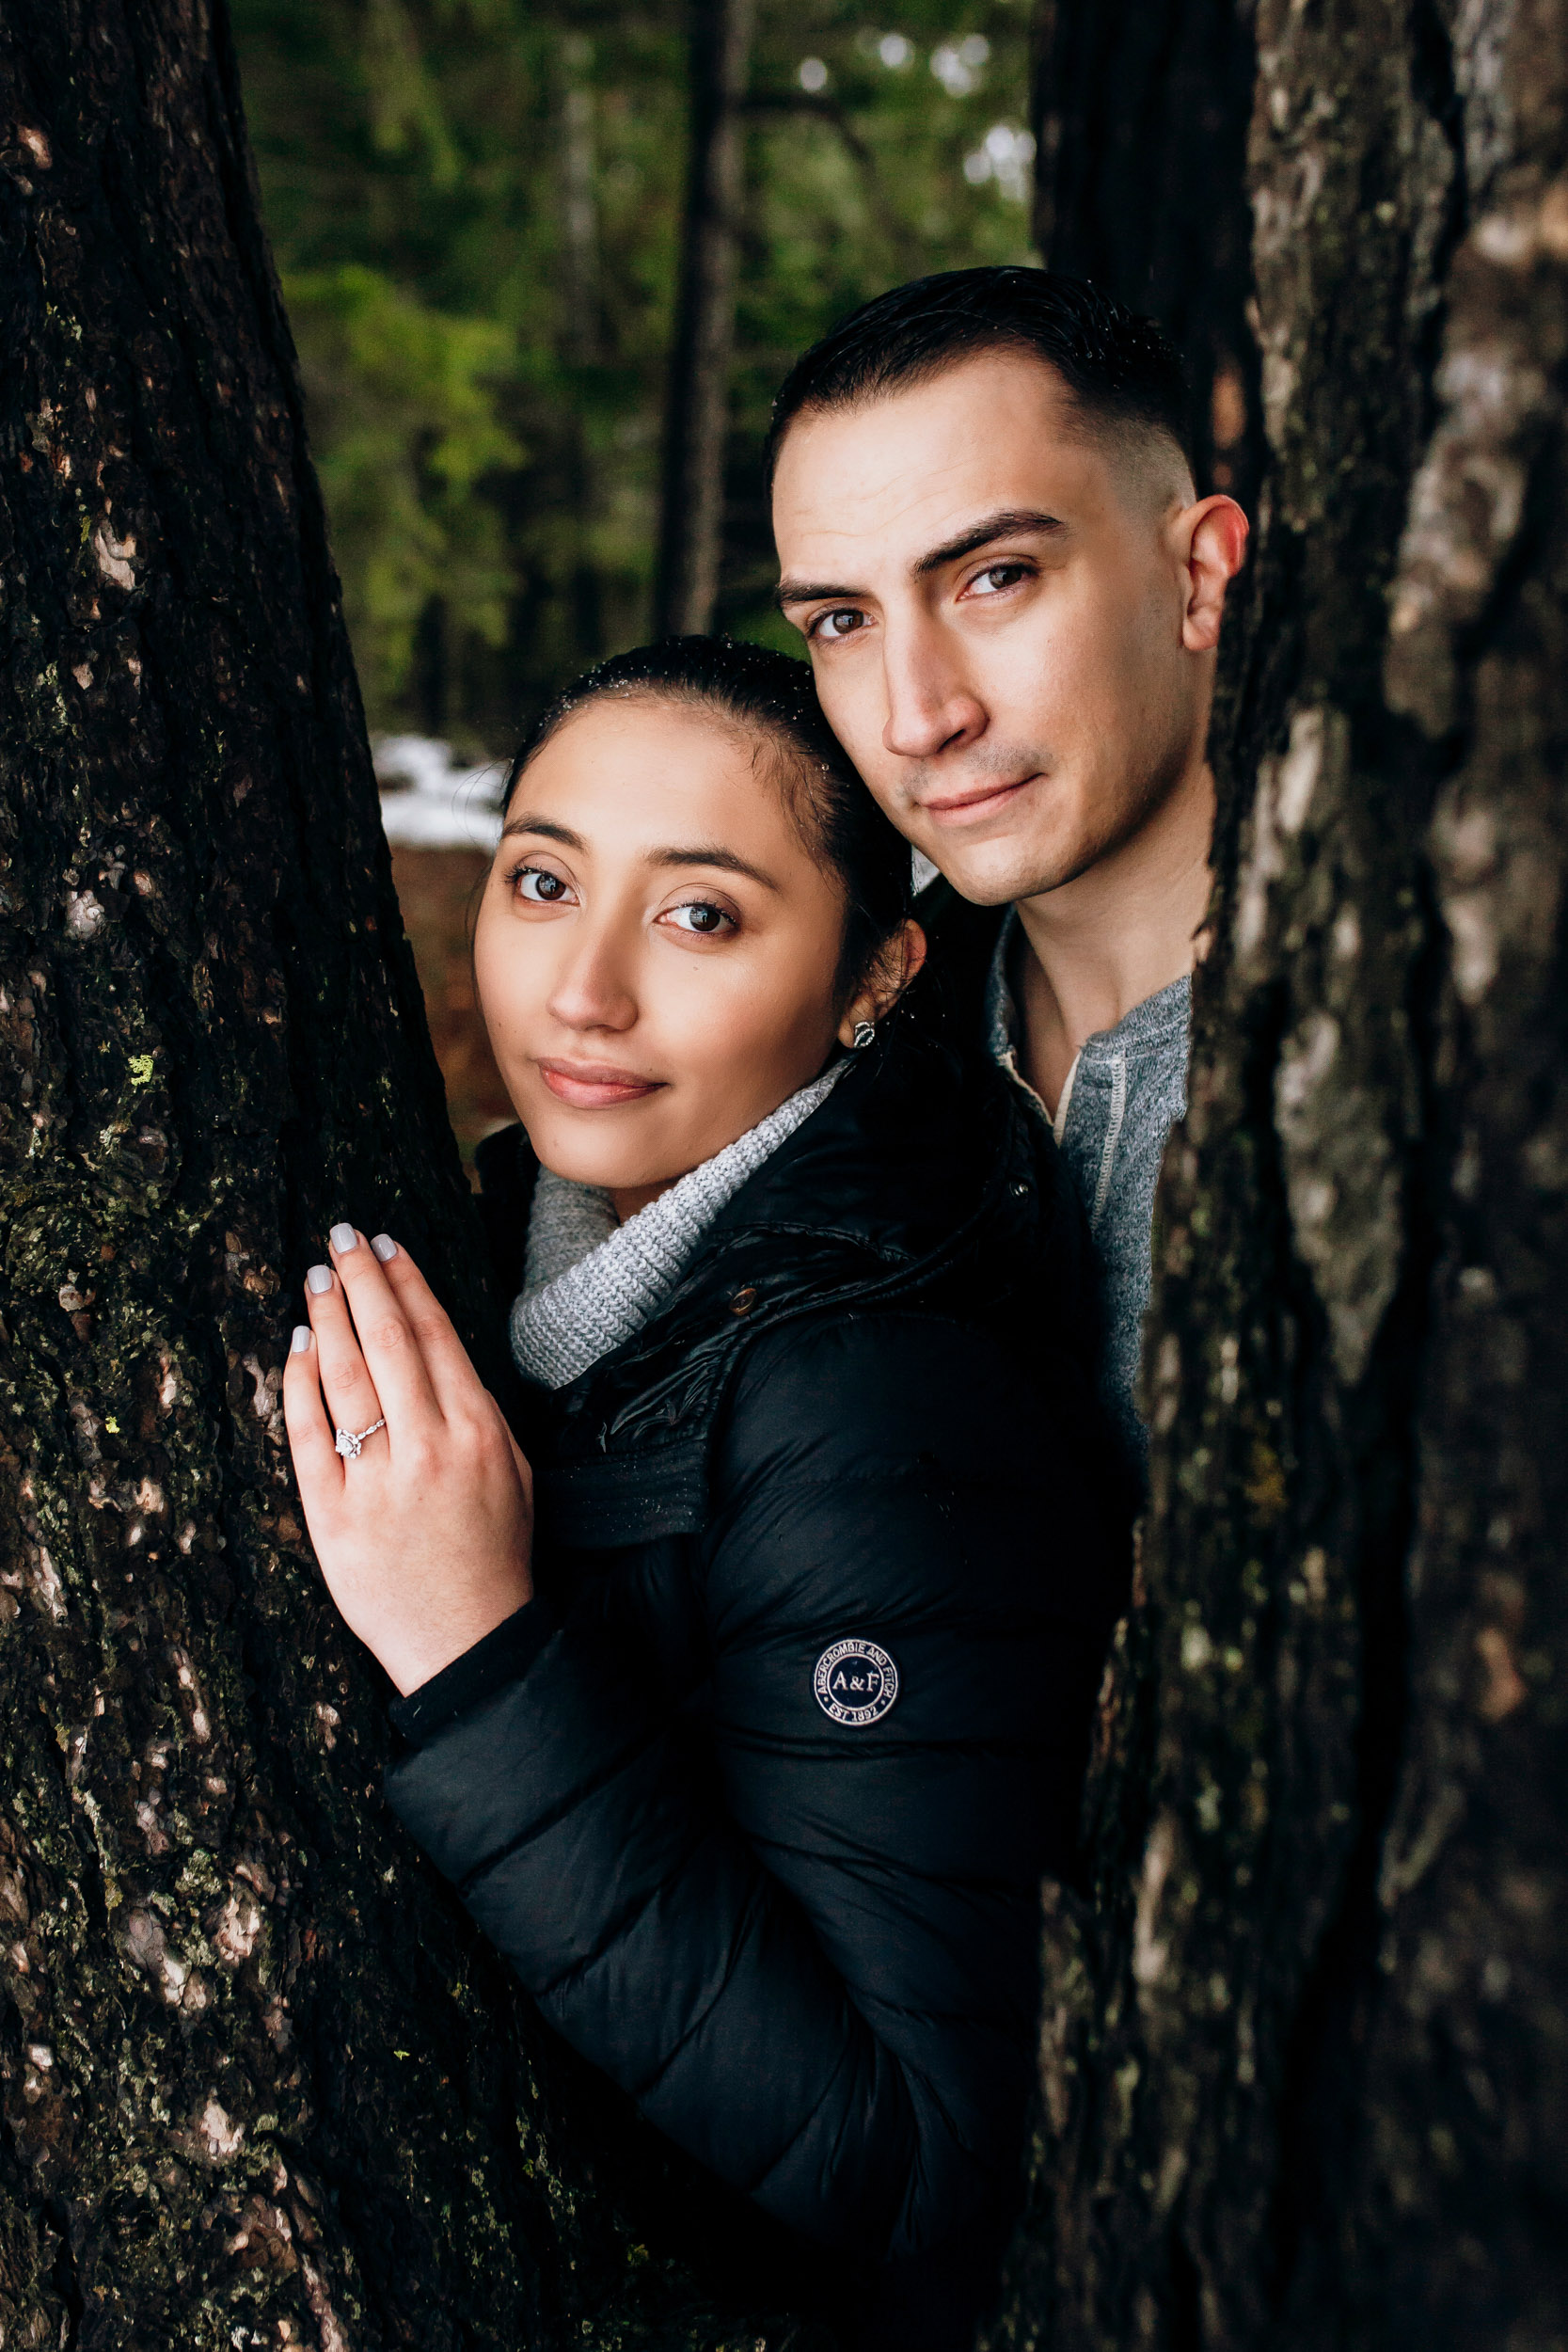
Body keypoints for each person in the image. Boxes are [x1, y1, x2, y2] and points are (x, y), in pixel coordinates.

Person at [282, 639, 1129, 2348]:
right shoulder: (575, 1277)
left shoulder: (875, 1399)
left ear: (876, 976)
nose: (580, 993)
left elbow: (921, 2154)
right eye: (541, 881)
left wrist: (479, 1653)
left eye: (700, 917)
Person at [769, 267, 1250, 1467]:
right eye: (842, 620)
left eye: (992, 578)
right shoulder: (821, 1075)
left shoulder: (1437, 1037)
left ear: (1196, 575)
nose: (915, 717)